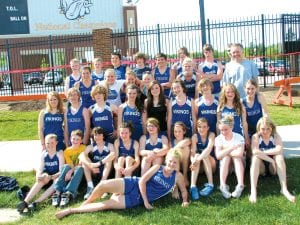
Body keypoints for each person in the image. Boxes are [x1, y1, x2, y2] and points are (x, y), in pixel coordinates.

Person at [55, 148, 189, 219]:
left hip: (134, 199)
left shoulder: (178, 176)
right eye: (170, 161)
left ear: (178, 164)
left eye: (175, 162)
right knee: (102, 185)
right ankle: (86, 203)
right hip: (133, 184)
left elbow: (184, 190)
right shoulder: (157, 168)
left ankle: (71, 210)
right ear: (166, 160)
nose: (172, 164)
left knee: (105, 205)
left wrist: (185, 200)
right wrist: (147, 202)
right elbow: (142, 180)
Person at [249, 116, 296, 203]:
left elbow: (279, 149)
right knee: (255, 158)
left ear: (272, 128)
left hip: (273, 168)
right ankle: (253, 191)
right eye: (263, 129)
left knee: (279, 156)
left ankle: (284, 189)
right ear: (258, 128)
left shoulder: (276, 136)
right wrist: (270, 159)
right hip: (261, 168)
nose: (265, 131)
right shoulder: (256, 137)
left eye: (268, 129)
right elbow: (255, 151)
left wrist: (263, 153)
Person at [17, 134, 64, 213]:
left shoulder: (59, 154)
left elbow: (62, 171)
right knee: (42, 179)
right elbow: (40, 168)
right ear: (45, 144)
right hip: (47, 176)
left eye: (52, 143)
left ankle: (36, 202)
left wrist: (51, 177)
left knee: (56, 181)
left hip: (56, 176)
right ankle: (25, 202)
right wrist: (39, 175)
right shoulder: (44, 154)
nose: (50, 145)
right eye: (47, 143)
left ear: (56, 143)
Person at [79, 127, 115, 200]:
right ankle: (90, 187)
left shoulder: (109, 145)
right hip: (95, 171)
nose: (97, 137)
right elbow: (81, 156)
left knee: (109, 160)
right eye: (95, 135)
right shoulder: (91, 146)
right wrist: (91, 166)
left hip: (106, 170)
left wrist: (99, 163)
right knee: (85, 161)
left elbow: (113, 155)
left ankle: (102, 185)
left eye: (99, 135)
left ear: (103, 136)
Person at [52, 130, 85, 207]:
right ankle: (58, 192)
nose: (75, 141)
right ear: (70, 139)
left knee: (80, 168)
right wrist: (69, 171)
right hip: (70, 171)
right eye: (73, 139)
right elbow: (70, 164)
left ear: (81, 141)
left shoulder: (83, 148)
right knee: (66, 166)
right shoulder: (67, 151)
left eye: (77, 139)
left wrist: (71, 171)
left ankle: (68, 193)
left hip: (79, 173)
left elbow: (80, 163)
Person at [215, 115, 245, 199]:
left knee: (236, 158)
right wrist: (231, 148)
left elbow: (239, 154)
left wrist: (225, 151)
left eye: (226, 129)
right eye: (221, 130)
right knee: (226, 158)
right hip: (225, 164)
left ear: (231, 127)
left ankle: (240, 185)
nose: (223, 132)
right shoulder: (218, 139)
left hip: (239, 163)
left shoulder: (239, 137)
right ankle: (222, 185)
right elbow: (218, 156)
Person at [189, 118, 216, 200]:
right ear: (197, 128)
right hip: (199, 165)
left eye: (204, 127)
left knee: (205, 155)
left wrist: (197, 159)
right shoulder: (195, 137)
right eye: (200, 127)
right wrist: (193, 161)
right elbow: (192, 153)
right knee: (196, 155)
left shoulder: (211, 135)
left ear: (208, 128)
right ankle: (193, 186)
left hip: (211, 164)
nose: (202, 129)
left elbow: (208, 149)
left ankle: (210, 184)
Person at [217, 83, 249, 147]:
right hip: (225, 136)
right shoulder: (221, 106)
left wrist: (246, 137)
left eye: (232, 92)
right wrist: (218, 136)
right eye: (228, 92)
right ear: (224, 93)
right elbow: (218, 123)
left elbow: (244, 122)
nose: (230, 94)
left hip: (238, 135)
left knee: (238, 156)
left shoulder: (240, 105)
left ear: (235, 93)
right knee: (226, 156)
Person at [170, 121, 191, 188]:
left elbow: (185, 143)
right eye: (175, 131)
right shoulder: (171, 142)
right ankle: (175, 181)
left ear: (184, 132)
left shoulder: (187, 139)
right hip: (175, 164)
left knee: (185, 148)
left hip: (186, 164)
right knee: (173, 155)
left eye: (179, 131)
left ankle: (185, 176)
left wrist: (174, 149)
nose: (177, 133)